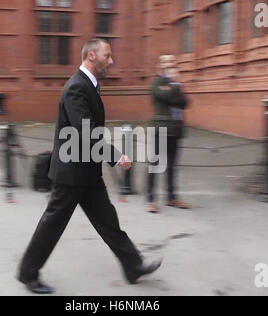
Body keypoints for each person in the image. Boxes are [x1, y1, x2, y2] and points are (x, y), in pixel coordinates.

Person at [18, 39, 162, 294]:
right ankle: (28, 273)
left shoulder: (89, 85)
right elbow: (85, 131)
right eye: (108, 55)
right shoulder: (77, 87)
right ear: (92, 56)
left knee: (108, 220)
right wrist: (115, 155)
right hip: (71, 172)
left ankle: (133, 266)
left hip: (87, 172)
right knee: (53, 224)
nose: (112, 60)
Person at [147, 55, 190, 213]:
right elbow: (166, 96)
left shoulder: (175, 84)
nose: (169, 64)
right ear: (160, 66)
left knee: (172, 166)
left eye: (172, 61)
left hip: (175, 129)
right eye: (166, 62)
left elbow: (185, 103)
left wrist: (175, 87)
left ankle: (171, 197)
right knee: (155, 165)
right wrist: (176, 87)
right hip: (161, 128)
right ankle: (151, 200)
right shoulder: (156, 82)